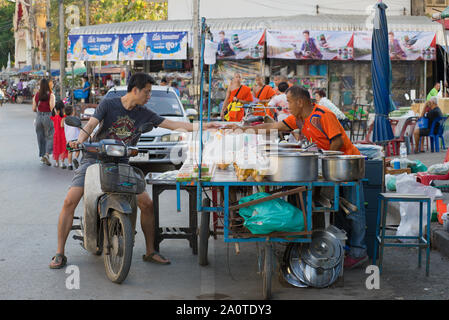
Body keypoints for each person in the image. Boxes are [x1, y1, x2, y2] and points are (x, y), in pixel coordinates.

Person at [49, 72, 220, 269]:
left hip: (120, 161)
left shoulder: (144, 113)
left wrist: (205, 126)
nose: (149, 97)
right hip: (95, 158)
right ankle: (60, 252)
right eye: (147, 92)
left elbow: (174, 125)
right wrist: (78, 142)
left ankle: (150, 251)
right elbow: (91, 124)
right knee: (70, 201)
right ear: (135, 90)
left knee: (146, 204)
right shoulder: (109, 103)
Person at [224, 86, 367, 269]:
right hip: (329, 169)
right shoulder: (298, 119)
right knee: (338, 211)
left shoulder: (322, 115)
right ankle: (337, 246)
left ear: (300, 102)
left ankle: (359, 252)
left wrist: (324, 160)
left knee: (353, 211)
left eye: (289, 102)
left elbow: (337, 141)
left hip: (345, 165)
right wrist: (244, 129)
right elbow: (274, 126)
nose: (287, 105)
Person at [32, 78, 56, 166]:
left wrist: (39, 112)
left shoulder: (37, 95)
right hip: (48, 116)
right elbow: (51, 107)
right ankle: (46, 154)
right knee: (50, 135)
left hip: (38, 116)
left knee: (40, 136)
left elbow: (33, 108)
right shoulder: (51, 95)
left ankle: (42, 155)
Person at [50, 101, 68, 169]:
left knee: (56, 148)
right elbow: (62, 126)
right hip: (63, 135)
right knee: (63, 148)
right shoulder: (64, 116)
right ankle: (62, 163)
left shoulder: (54, 117)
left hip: (56, 135)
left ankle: (57, 162)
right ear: (63, 108)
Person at [63, 105, 80, 170]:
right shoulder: (76, 119)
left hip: (69, 138)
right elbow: (79, 127)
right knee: (77, 150)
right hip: (76, 137)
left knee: (70, 151)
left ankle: (70, 165)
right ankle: (75, 158)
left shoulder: (65, 120)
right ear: (72, 112)